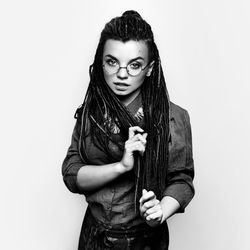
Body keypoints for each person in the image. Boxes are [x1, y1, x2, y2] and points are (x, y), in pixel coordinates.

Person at [62, 10, 195, 250]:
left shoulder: (174, 118)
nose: (122, 74)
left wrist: (161, 210)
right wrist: (121, 166)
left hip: (144, 240)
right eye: (112, 62)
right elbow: (71, 174)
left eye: (135, 65)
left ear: (150, 68)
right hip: (93, 236)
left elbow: (182, 180)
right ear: (101, 62)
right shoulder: (90, 113)